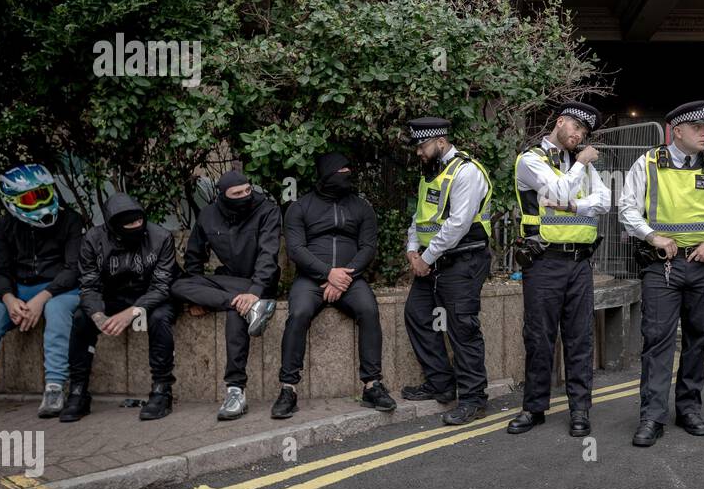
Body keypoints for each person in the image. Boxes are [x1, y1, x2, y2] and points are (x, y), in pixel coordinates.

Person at [619, 100, 704, 447]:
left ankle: (689, 408)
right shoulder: (647, 163)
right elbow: (627, 208)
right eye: (698, 128)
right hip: (662, 264)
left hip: (703, 264)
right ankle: (652, 416)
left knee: (697, 338)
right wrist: (652, 236)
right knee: (657, 340)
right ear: (677, 131)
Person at [0, 164, 83, 423]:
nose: (40, 201)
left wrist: (42, 298)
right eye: (30, 197)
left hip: (60, 289)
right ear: (12, 201)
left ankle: (55, 388)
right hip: (17, 290)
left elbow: (73, 269)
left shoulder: (71, 220)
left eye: (44, 193)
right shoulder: (4, 227)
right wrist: (9, 299)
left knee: (57, 311)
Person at [507, 102, 612, 438]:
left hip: (580, 262)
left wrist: (572, 204)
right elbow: (555, 190)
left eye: (584, 133)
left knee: (579, 338)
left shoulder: (578, 165)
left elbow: (605, 201)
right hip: (544, 261)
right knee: (539, 337)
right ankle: (533, 408)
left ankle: (580, 410)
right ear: (561, 121)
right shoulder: (531, 160)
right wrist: (579, 166)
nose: (579, 136)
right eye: (576, 128)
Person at [275, 152, 393, 419]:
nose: (347, 175)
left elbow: (368, 247)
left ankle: (372, 385)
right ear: (327, 174)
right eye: (342, 171)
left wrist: (343, 278)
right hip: (311, 279)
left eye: (349, 170)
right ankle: (288, 388)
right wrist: (327, 274)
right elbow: (296, 249)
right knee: (298, 313)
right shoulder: (300, 207)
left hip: (351, 279)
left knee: (369, 310)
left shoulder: (362, 207)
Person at [402, 117, 495, 426]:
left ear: (440, 142)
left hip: (463, 261)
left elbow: (458, 224)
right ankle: (441, 383)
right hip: (433, 262)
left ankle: (473, 399)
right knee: (417, 315)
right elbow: (420, 217)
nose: (419, 152)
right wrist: (413, 250)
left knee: (462, 328)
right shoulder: (430, 173)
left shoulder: (466, 172)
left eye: (422, 146)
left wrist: (426, 258)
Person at [171, 169, 282, 421]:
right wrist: (199, 297)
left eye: (247, 191)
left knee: (236, 314)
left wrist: (254, 292)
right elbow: (194, 257)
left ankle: (235, 390)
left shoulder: (267, 211)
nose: (244, 196)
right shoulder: (209, 215)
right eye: (237, 193)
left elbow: (268, 255)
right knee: (178, 286)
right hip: (229, 284)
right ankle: (238, 303)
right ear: (222, 196)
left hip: (261, 283)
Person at [62, 193, 178, 422]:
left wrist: (133, 311)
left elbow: (162, 286)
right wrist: (97, 314)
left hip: (152, 296)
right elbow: (88, 286)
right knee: (81, 318)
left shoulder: (161, 237)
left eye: (139, 221)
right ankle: (78, 391)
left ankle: (162, 390)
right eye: (129, 224)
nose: (136, 226)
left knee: (160, 319)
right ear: (113, 226)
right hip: (112, 296)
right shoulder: (93, 240)